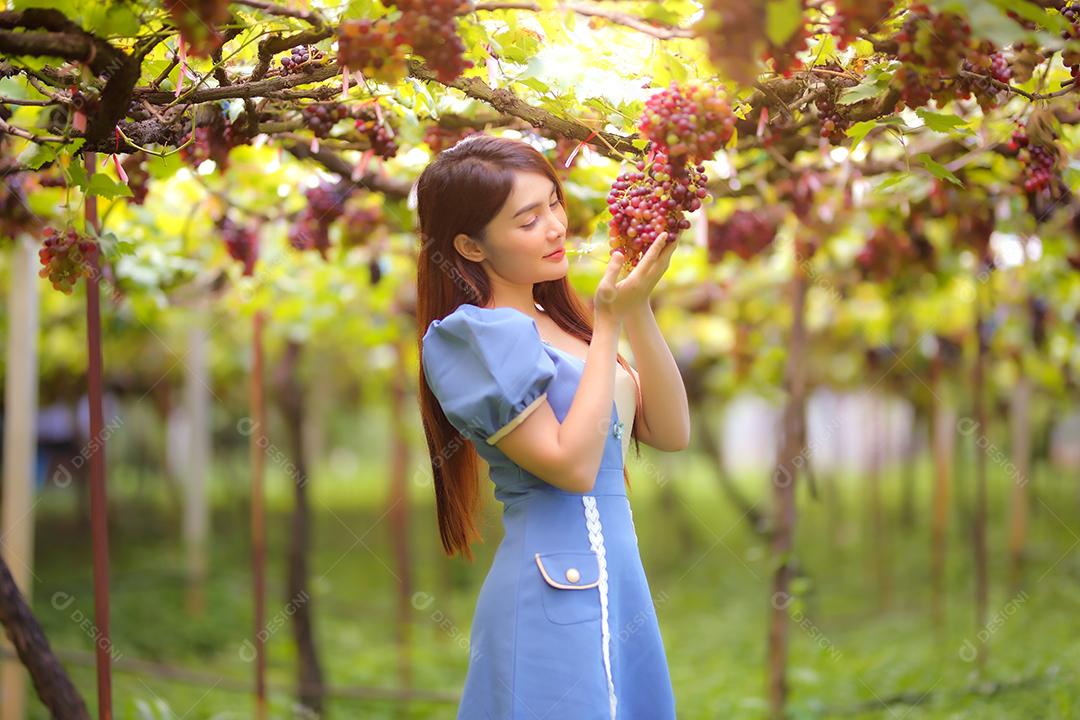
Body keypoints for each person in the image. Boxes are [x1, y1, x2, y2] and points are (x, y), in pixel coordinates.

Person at [415, 133, 689, 719]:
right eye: (528, 219)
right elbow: (571, 465)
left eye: (554, 204)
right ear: (470, 244)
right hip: (550, 589)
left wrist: (636, 308)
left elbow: (670, 430)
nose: (556, 227)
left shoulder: (560, 322)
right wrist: (610, 324)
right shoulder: (473, 336)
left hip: (618, 582)